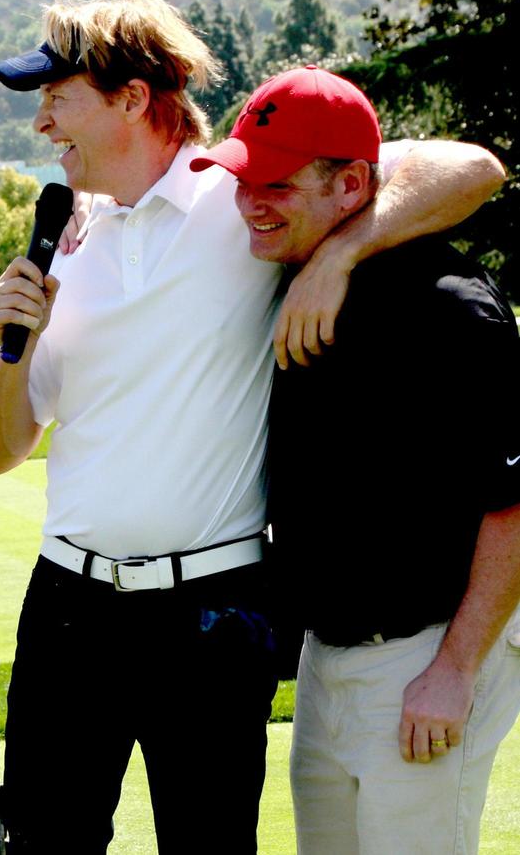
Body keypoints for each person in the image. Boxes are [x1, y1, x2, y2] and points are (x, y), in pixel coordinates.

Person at [0, 0, 506, 853]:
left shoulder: (246, 201)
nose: (40, 124)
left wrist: (338, 254)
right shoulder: (61, 240)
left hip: (211, 614)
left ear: (132, 99)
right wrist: (11, 350)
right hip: (67, 611)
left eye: (56, 98)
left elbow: (470, 167)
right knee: (41, 843)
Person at [190, 66, 520, 855]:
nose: (249, 204)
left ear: (349, 186)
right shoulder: (294, 272)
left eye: (274, 184)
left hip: (422, 657)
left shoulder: (451, 308)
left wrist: (453, 671)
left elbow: (512, 506)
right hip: (326, 662)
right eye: (242, 182)